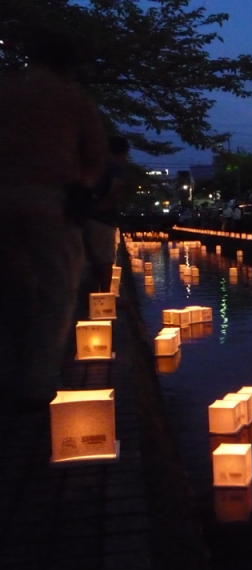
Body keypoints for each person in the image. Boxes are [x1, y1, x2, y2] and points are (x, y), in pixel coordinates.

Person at [0, 32, 107, 414]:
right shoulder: (72, 97)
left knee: (10, 287)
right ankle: (38, 380)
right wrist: (84, 185)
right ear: (67, 64)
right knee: (57, 288)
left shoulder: (7, 90)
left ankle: (8, 374)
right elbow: (95, 154)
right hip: (51, 198)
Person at [84, 135, 129, 292]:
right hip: (102, 219)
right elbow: (117, 187)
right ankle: (105, 299)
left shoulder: (97, 166)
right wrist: (103, 206)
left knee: (93, 259)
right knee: (105, 260)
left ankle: (94, 295)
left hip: (88, 216)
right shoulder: (115, 167)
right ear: (123, 152)